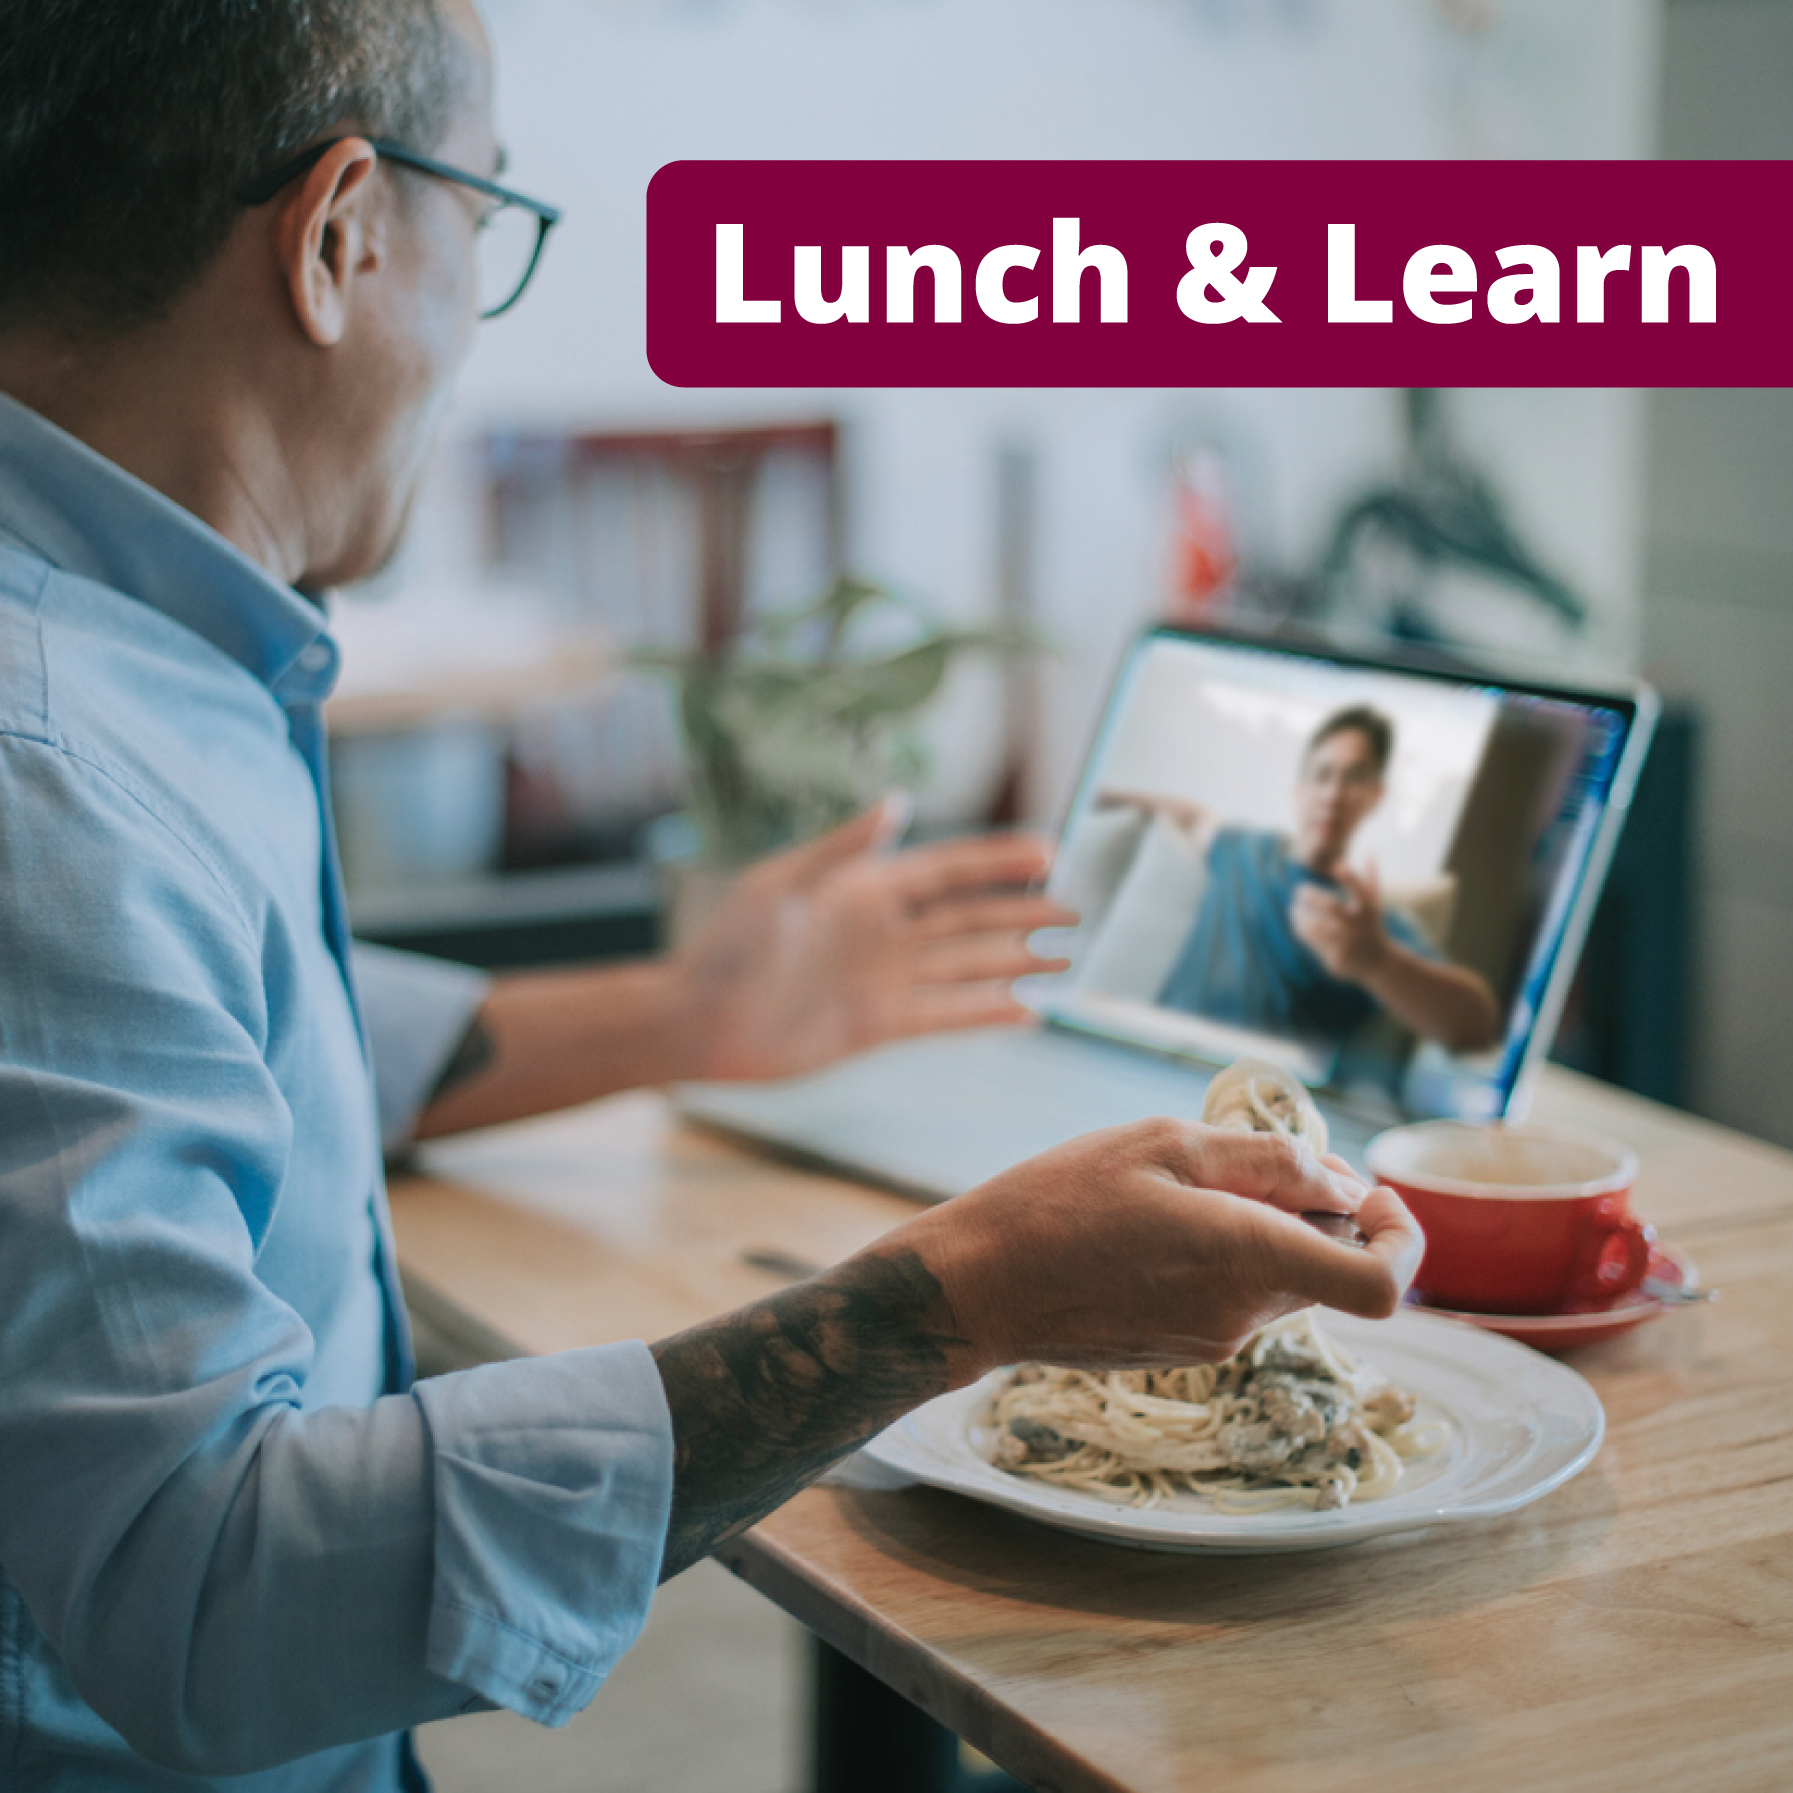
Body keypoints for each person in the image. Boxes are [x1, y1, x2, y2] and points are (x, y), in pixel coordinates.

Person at [0, 5, 1423, 1787]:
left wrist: (684, 1016)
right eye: (486, 222)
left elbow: (206, 1025)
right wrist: (945, 1302)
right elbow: (196, 1590)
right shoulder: (46, 767)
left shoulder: (131, 651)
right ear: (341, 233)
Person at [1101, 706, 1503, 1053]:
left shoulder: (1373, 923)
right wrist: (1100, 794)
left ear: (1375, 797)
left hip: (1257, 1104)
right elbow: (1192, 817)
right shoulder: (1244, 847)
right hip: (1149, 1050)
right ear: (1300, 790)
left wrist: (1378, 961)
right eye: (1323, 774)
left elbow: (1475, 1027)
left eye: (1354, 778)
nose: (1332, 794)